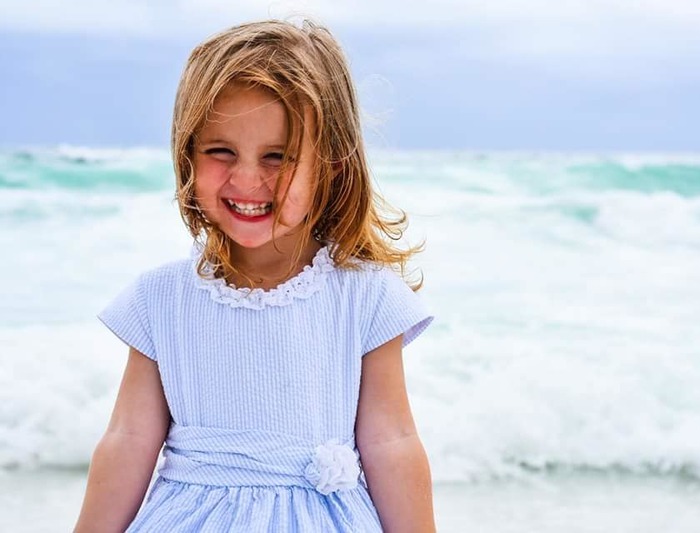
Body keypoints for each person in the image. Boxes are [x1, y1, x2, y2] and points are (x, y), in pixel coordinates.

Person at [74, 19, 435, 532]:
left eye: (278, 157)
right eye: (220, 151)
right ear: (187, 154)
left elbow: (392, 442)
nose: (247, 179)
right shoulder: (161, 299)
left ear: (330, 165)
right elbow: (129, 439)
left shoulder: (366, 296)